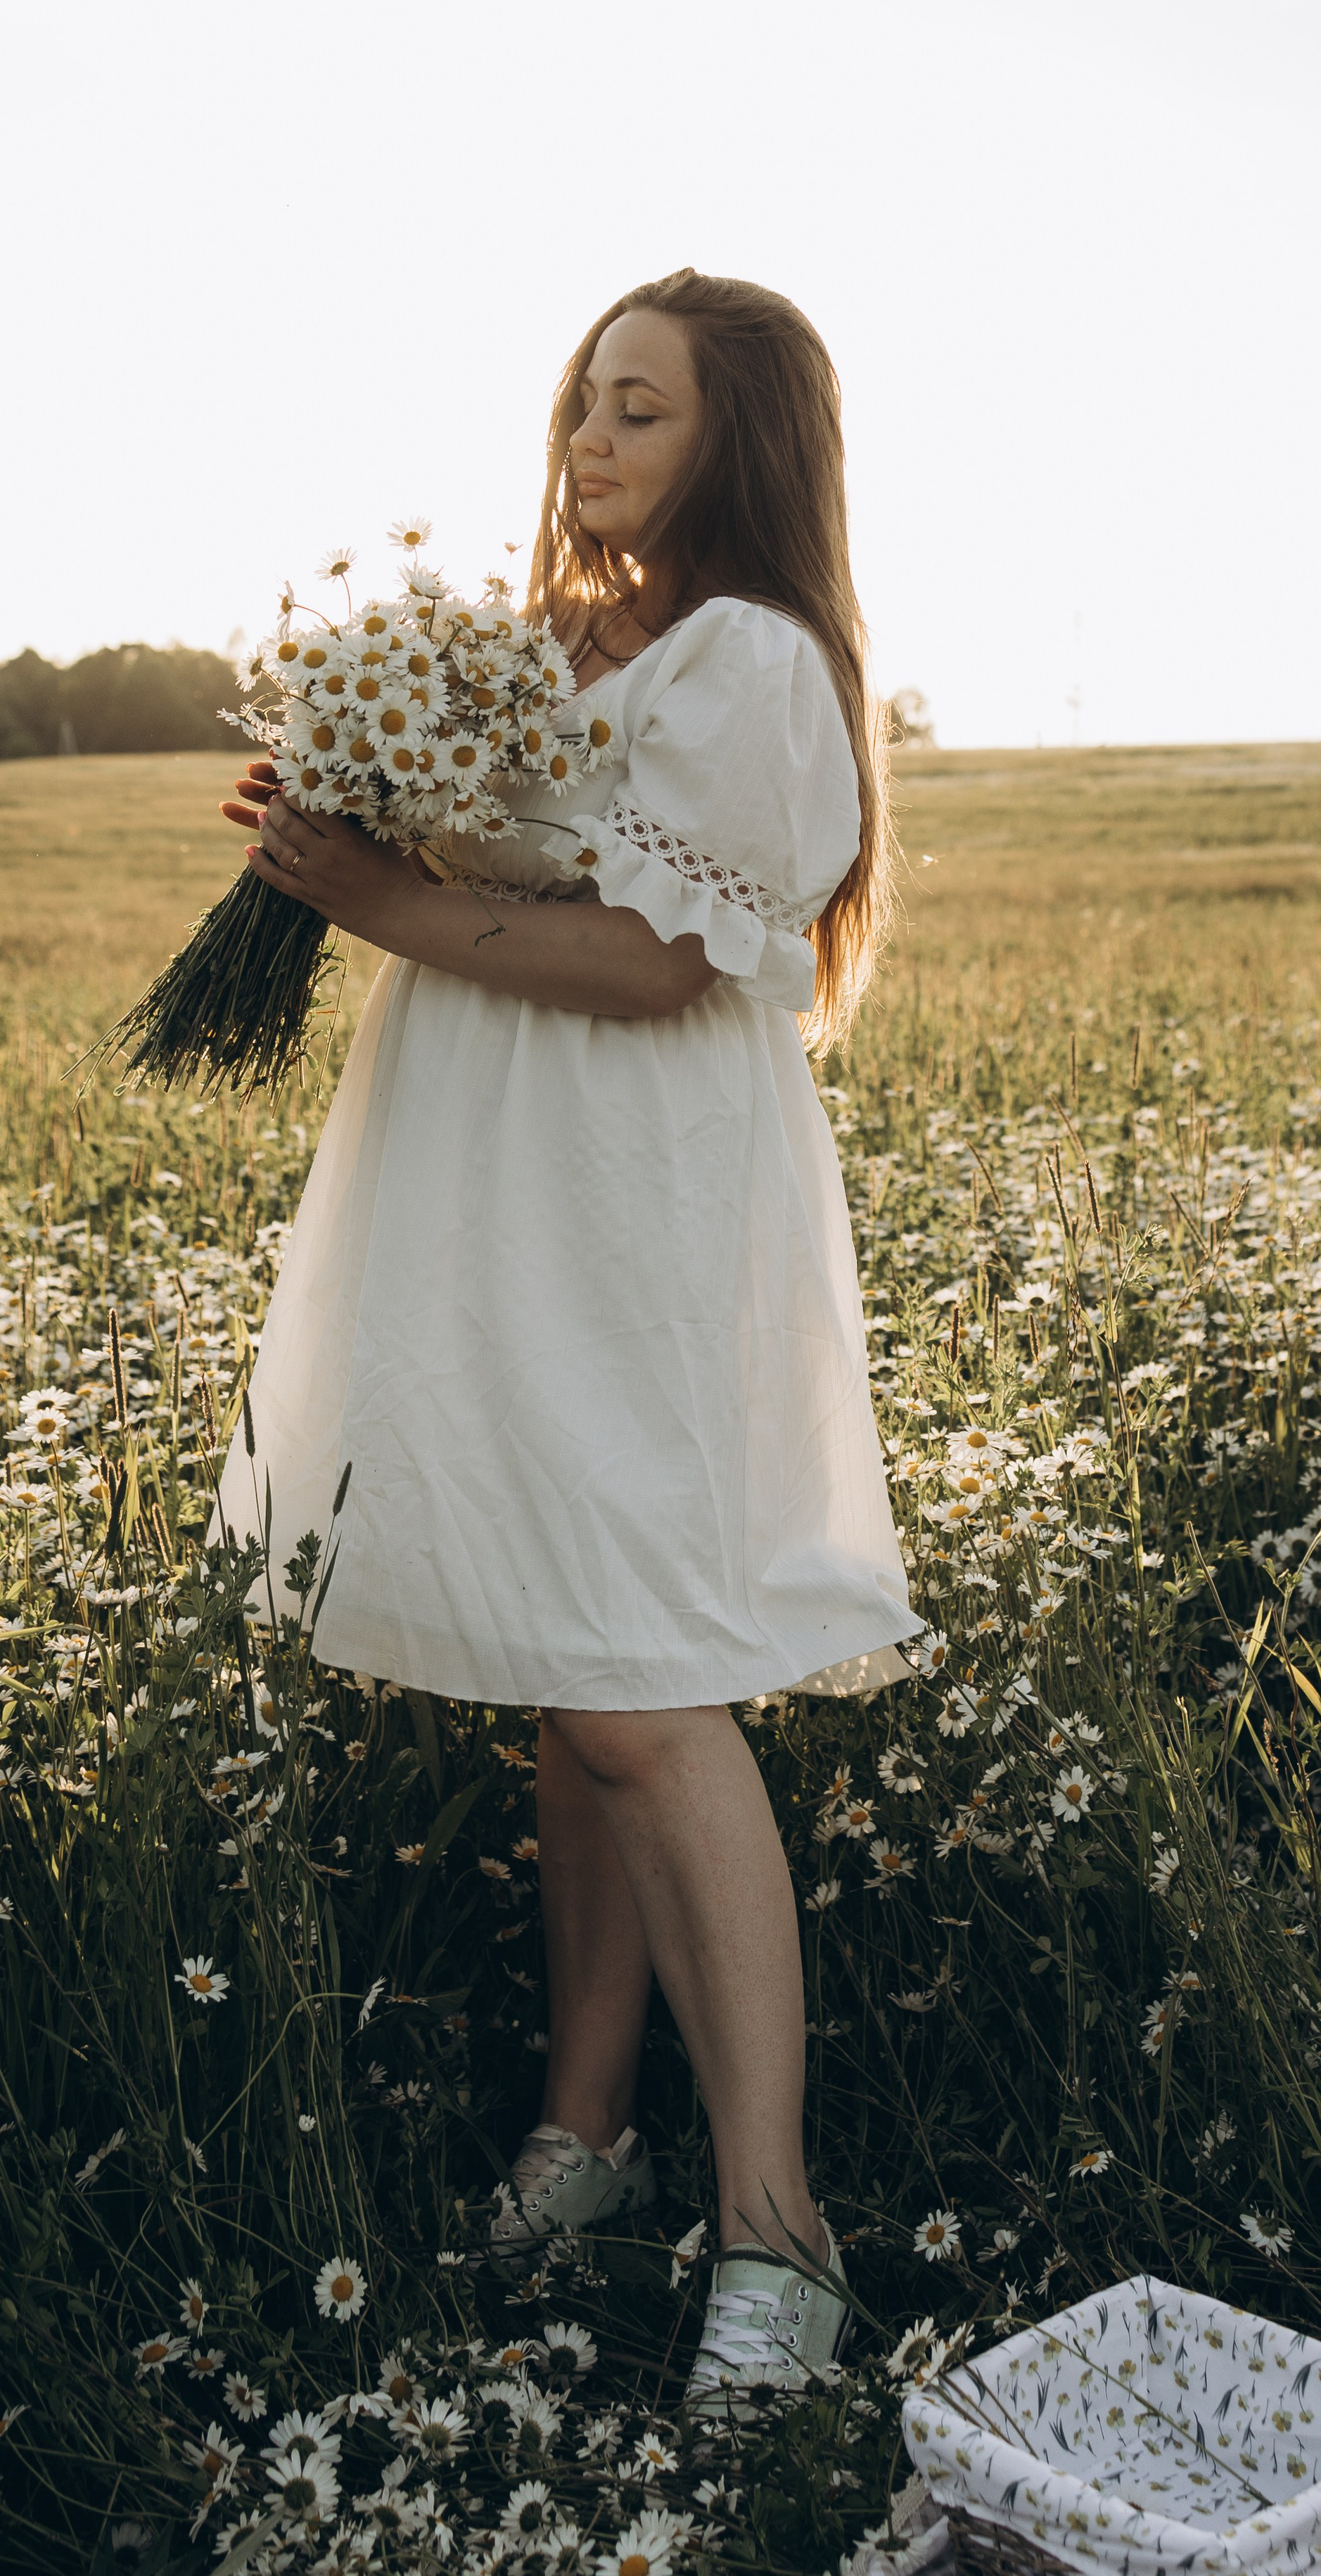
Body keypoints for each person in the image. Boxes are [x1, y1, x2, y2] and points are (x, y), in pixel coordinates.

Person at [215, 267, 921, 2413]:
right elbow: (537, 879)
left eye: (642, 412)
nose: (592, 445)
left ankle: (778, 2235)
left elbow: (643, 967)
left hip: (624, 1194)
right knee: (566, 1668)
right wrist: (377, 775)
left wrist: (370, 896)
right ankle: (590, 2135)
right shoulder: (574, 651)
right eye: (583, 407)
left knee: (641, 1679)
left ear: (745, 443)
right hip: (495, 1178)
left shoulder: (753, 662)